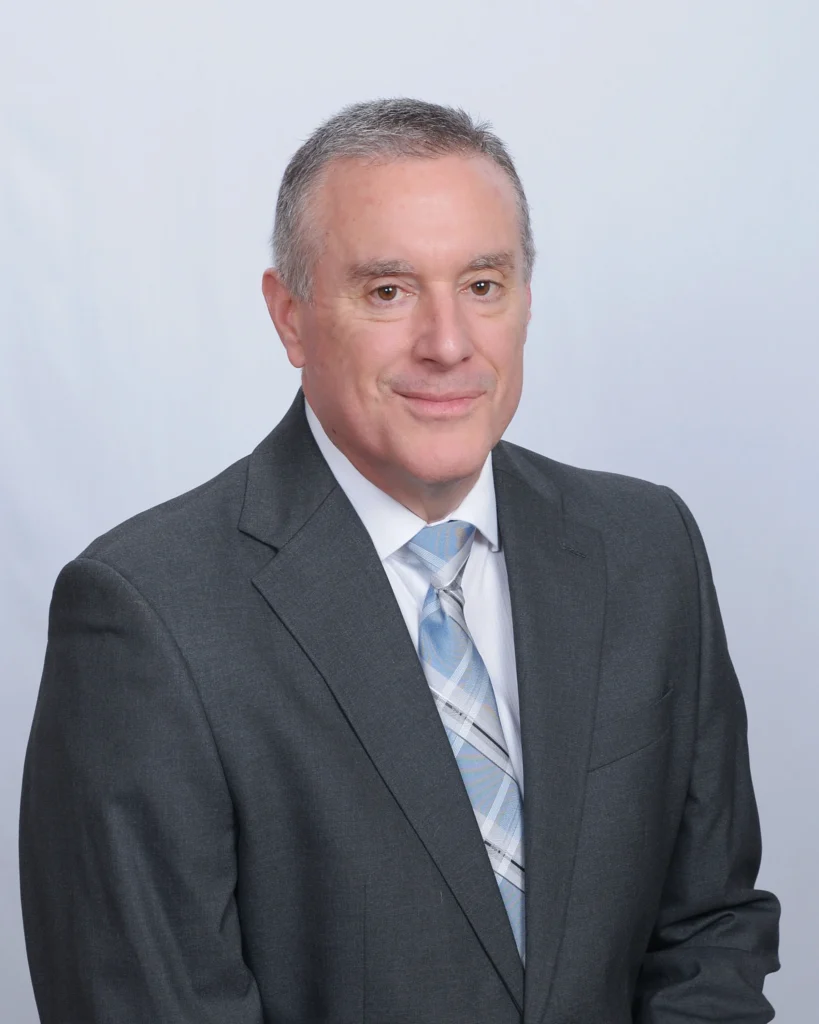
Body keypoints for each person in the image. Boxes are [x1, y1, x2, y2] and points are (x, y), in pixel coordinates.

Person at [19, 98, 780, 1023]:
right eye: (388, 290)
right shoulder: (147, 613)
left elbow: (709, 930)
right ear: (289, 317)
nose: (448, 343)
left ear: (526, 300)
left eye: (483, 285)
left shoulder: (645, 547)